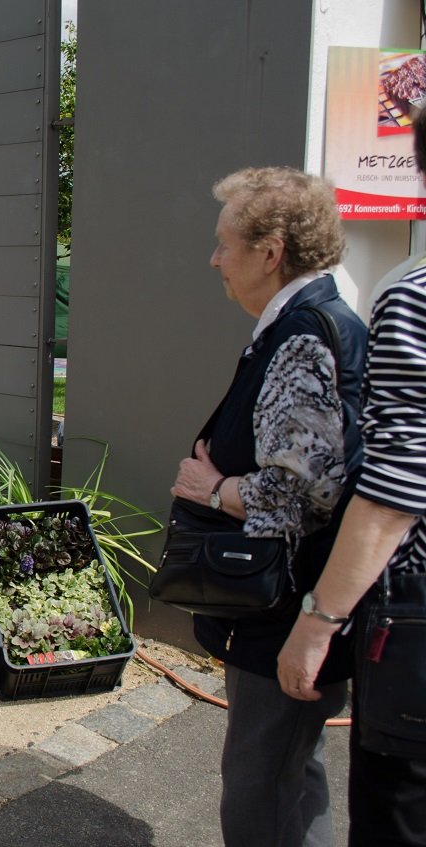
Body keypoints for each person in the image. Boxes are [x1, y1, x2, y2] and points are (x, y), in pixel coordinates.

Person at [167, 167, 366, 847]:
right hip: (291, 605)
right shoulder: (308, 321)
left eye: (226, 244)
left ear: (271, 250)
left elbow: (305, 488)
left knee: (257, 793)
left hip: (283, 608)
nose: (215, 258)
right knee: (291, 775)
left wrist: (211, 488)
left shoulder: (302, 337)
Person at [277, 110, 426, 846]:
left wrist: (318, 621)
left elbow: (397, 489)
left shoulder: (413, 297)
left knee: (399, 817)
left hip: (416, 626)